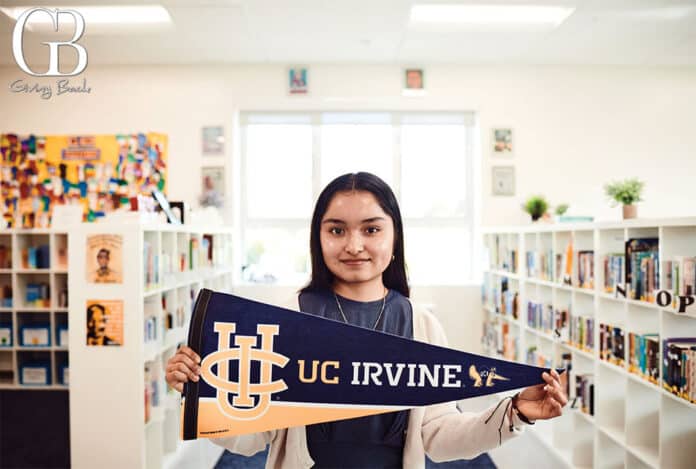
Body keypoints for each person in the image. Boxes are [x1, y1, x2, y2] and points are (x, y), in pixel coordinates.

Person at [166, 172, 568, 468]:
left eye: (371, 229)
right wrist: (199, 393)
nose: (354, 245)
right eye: (336, 230)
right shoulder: (287, 318)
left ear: (394, 238)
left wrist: (514, 411)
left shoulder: (421, 325)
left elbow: (439, 436)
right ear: (317, 238)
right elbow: (254, 436)